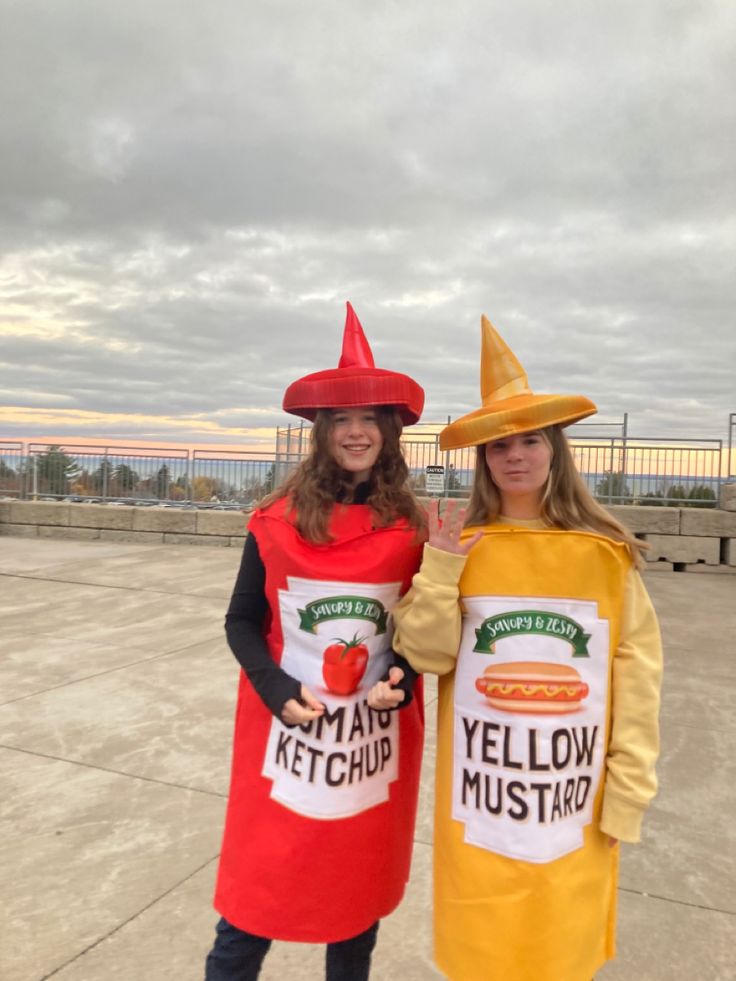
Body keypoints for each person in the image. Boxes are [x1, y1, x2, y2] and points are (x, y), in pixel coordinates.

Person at [372, 316, 662, 981]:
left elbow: (639, 681)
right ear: (484, 461)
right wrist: (440, 570)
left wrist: (628, 791)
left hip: (573, 803)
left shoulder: (605, 556)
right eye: (499, 446)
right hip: (481, 804)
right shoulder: (460, 545)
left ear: (555, 450)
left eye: (530, 440)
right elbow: (427, 654)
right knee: (481, 951)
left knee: (560, 951)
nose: (515, 456)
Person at [205, 302, 426, 981]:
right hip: (286, 749)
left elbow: (419, 629)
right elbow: (241, 620)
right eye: (342, 420)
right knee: (248, 913)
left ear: (389, 432)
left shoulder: (412, 526)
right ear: (322, 430)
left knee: (354, 915)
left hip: (367, 751)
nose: (356, 432)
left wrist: (406, 676)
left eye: (370, 419)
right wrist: (274, 688)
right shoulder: (273, 520)